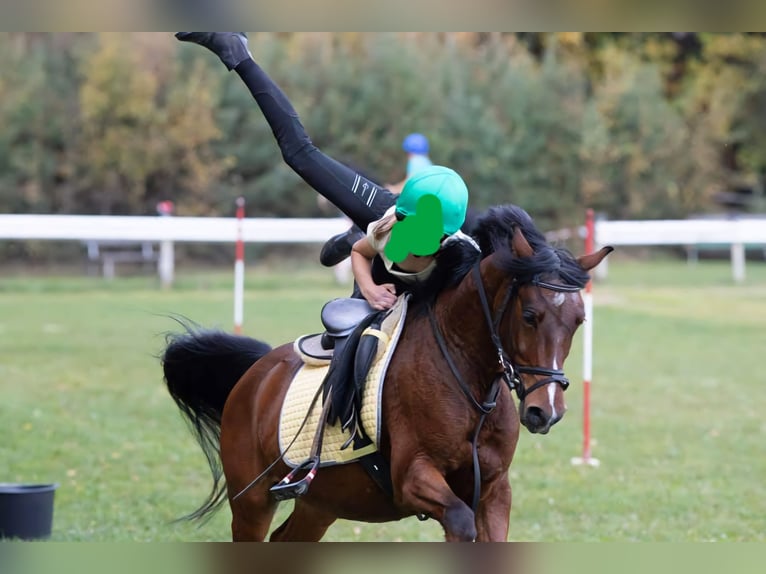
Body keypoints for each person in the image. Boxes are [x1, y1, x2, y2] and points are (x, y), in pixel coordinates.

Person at [175, 32, 479, 310]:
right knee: (299, 155)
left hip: (405, 266)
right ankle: (235, 51)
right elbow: (374, 245)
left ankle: (356, 238)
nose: (411, 235)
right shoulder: (392, 225)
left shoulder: (464, 259)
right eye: (408, 226)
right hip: (380, 217)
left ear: (445, 237)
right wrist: (370, 289)